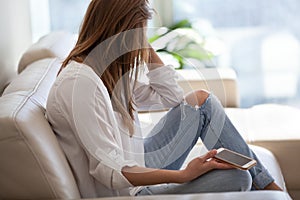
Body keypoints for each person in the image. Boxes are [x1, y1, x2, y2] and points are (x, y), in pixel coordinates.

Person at [46, 0, 282, 198]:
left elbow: (171, 96)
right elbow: (109, 172)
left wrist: (142, 44)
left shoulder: (107, 71)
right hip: (129, 190)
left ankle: (270, 188)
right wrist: (183, 175)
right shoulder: (80, 84)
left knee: (200, 102)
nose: (140, 45)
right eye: (139, 35)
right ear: (120, 34)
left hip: (137, 162)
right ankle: (274, 191)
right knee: (238, 177)